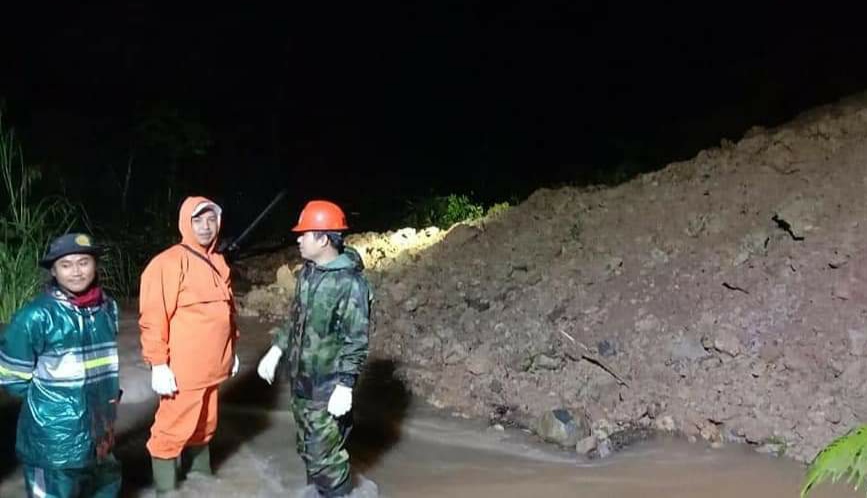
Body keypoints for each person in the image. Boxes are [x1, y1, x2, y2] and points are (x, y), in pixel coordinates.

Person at [257, 200, 372, 498]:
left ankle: (342, 494)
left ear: (323, 238)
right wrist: (277, 349)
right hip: (302, 381)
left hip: (328, 386)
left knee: (326, 460)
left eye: (304, 233)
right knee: (308, 449)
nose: (298, 238)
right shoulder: (309, 273)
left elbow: (356, 339)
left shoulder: (350, 283)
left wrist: (345, 385)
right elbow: (296, 318)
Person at [0, 233, 122, 498]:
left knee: (106, 487)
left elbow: (106, 367)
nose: (76, 272)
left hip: (101, 431)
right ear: (53, 271)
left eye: (83, 262)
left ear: (95, 265)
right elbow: (11, 378)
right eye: (66, 265)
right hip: (53, 439)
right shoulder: (35, 316)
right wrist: (50, 407)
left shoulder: (108, 308)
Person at [138, 196, 240, 493]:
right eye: (198, 220)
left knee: (206, 424)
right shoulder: (168, 263)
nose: (206, 227)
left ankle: (200, 478)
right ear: (186, 223)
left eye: (211, 220)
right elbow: (153, 317)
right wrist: (158, 364)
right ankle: (166, 489)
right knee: (171, 430)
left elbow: (228, 312)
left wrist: (232, 350)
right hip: (183, 370)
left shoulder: (218, 261)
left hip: (214, 367)